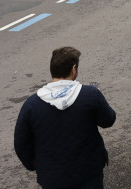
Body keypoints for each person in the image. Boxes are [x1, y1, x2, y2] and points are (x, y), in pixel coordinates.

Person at [14, 47, 116, 189]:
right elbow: (108, 120)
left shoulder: (31, 105)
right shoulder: (90, 95)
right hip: (88, 171)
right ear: (74, 69)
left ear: (51, 69)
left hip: (52, 177)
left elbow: (21, 143)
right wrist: (99, 99)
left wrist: (36, 164)